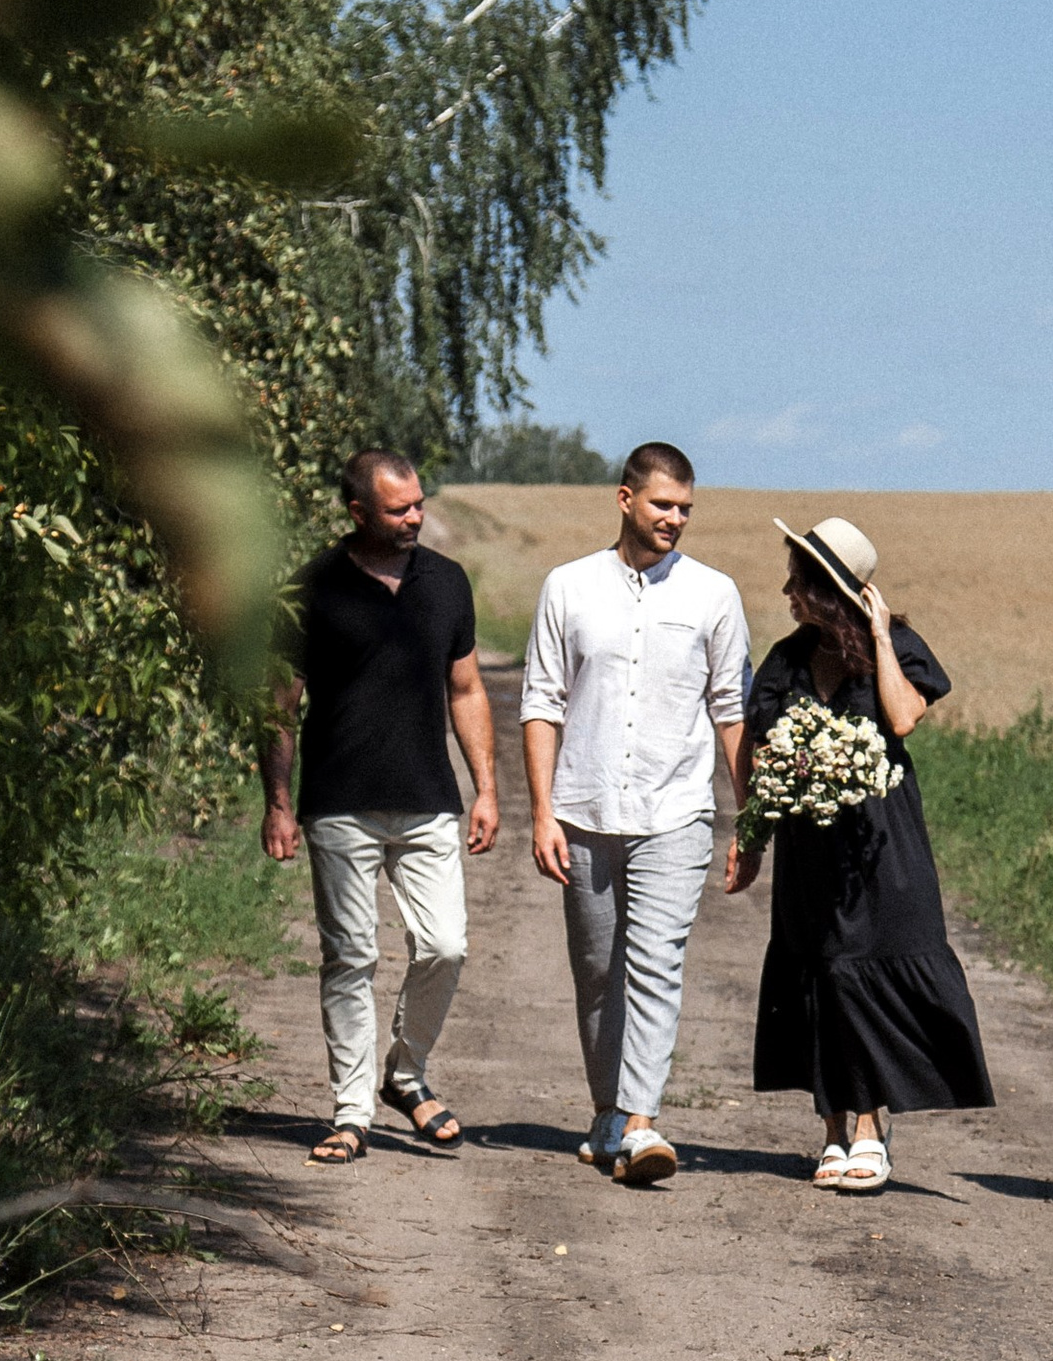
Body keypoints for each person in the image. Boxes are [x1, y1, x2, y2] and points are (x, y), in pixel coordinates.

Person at [725, 515, 993, 1193]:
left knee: (869, 964)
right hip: (810, 846)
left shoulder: (896, 644)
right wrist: (752, 834)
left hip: (881, 841)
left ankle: (872, 1127)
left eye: (799, 580)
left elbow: (903, 719)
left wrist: (877, 638)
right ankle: (833, 1128)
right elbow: (757, 749)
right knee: (821, 970)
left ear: (831, 589)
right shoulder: (785, 660)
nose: (787, 590)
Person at [519, 443, 749, 1188]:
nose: (675, 519)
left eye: (685, 508)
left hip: (676, 812)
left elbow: (732, 712)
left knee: (654, 963)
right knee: (596, 971)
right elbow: (541, 703)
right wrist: (542, 812)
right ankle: (609, 1111)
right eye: (662, 505)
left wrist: (751, 819)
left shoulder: (714, 595)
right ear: (625, 499)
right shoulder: (568, 587)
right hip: (584, 811)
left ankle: (643, 1124)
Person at [261, 448, 499, 1166]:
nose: (416, 518)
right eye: (400, 509)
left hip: (428, 800)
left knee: (445, 945)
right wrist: (277, 802)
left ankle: (405, 1072)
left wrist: (487, 787)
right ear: (358, 511)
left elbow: (466, 691)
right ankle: (351, 1111)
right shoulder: (310, 590)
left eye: (419, 504)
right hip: (339, 802)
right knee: (351, 957)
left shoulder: (447, 583)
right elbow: (277, 708)